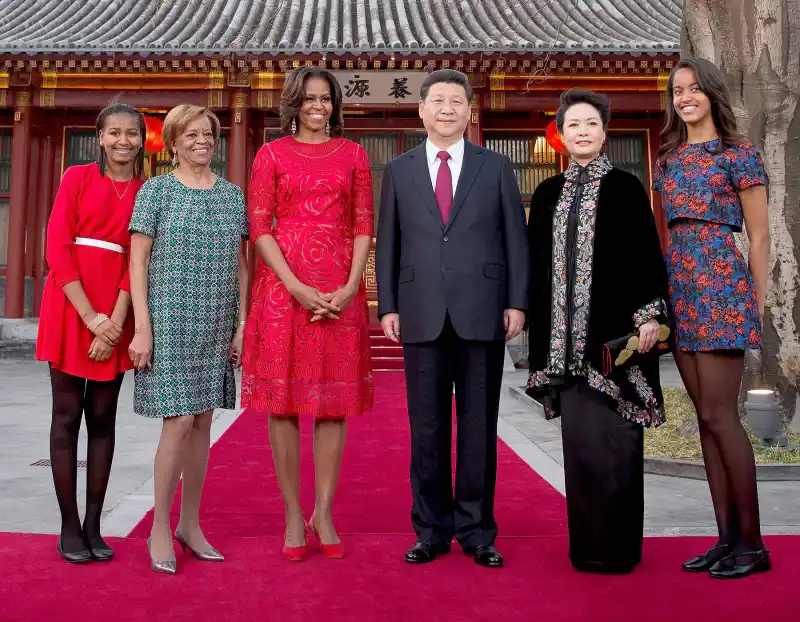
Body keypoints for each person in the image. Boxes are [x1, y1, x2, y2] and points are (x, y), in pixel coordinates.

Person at [375, 69, 528, 568]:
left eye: (456, 101)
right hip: (420, 313)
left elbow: (515, 242)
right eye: (437, 101)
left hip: (483, 312)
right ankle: (432, 530)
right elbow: (390, 243)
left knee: (479, 429)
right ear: (420, 110)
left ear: (469, 111)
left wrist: (518, 302)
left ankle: (479, 531)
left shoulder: (498, 168)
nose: (446, 109)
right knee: (427, 430)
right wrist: (389, 305)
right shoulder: (399, 171)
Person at [525, 89, 669, 575]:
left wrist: (649, 315)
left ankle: (621, 549)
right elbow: (535, 268)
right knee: (581, 447)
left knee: (618, 443)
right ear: (560, 136)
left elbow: (648, 254)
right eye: (573, 125)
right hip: (564, 345)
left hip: (614, 340)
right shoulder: (547, 194)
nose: (582, 132)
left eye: (590, 124)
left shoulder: (627, 187)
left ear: (604, 132)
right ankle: (586, 548)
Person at [242, 67, 374, 561]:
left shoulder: (355, 155)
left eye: (326, 99)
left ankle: (324, 510)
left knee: (333, 404)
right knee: (285, 403)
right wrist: (294, 286)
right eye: (309, 99)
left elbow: (363, 223)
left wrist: (350, 286)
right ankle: (293, 515)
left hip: (340, 287)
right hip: (283, 289)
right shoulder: (270, 154)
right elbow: (260, 226)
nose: (318, 107)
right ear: (293, 103)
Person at [654, 58, 771, 579]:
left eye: (695, 89)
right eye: (678, 91)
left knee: (723, 416)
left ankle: (754, 544)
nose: (685, 98)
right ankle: (725, 539)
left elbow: (761, 236)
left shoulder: (738, 153)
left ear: (712, 94)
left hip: (723, 287)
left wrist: (757, 303)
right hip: (681, 288)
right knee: (704, 419)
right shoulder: (669, 161)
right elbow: (667, 233)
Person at [128, 104, 249, 575]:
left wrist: (242, 325)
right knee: (177, 423)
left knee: (202, 422)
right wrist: (142, 327)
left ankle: (190, 524)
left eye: (209, 134)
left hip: (216, 320)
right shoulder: (155, 192)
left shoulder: (232, 197)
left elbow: (242, 268)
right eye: (191, 134)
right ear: (173, 142)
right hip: (170, 318)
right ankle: (160, 525)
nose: (202, 141)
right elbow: (137, 263)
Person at [36, 103, 146, 564]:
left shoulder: (147, 190)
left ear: (144, 139)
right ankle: (68, 525)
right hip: (70, 304)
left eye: (132, 134)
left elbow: (137, 261)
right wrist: (90, 318)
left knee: (103, 422)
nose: (123, 141)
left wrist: (114, 323)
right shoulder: (77, 177)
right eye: (114, 133)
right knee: (66, 418)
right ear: (99, 137)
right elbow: (58, 248)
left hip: (117, 307)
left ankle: (94, 525)